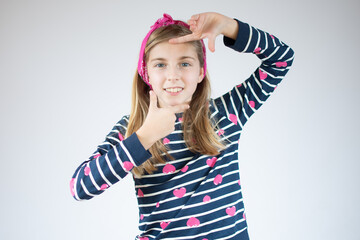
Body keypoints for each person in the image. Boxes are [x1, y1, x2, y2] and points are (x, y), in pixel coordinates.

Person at [70, 12, 295, 240]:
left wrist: (230, 27)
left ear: (200, 72)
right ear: (146, 73)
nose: (173, 76)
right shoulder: (133, 128)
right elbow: (80, 188)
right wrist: (145, 136)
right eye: (160, 65)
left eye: (184, 63)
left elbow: (282, 59)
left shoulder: (226, 113)